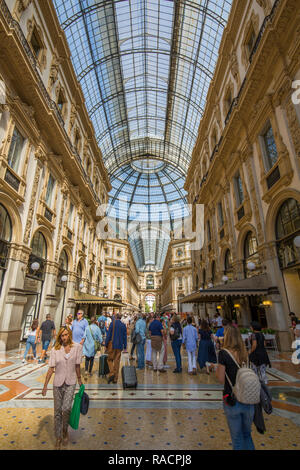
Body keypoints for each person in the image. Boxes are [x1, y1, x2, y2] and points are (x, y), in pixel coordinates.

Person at [42, 326, 83, 450]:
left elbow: (77, 366)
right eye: (62, 335)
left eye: (66, 335)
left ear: (69, 334)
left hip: (71, 382)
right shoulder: (55, 349)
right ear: (59, 337)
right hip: (57, 383)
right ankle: (59, 436)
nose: (64, 337)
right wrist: (45, 386)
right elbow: (51, 368)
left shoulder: (77, 347)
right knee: (57, 411)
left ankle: (65, 429)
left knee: (66, 408)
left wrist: (80, 380)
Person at [216, 326, 255, 450]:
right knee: (247, 435)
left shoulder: (223, 353)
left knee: (237, 437)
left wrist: (215, 368)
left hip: (232, 398)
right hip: (248, 398)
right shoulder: (245, 353)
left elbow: (221, 379)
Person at [105, 313, 127, 384]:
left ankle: (111, 373)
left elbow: (108, 335)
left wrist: (106, 344)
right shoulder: (123, 325)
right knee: (117, 362)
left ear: (115, 317)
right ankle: (115, 379)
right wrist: (125, 346)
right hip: (120, 346)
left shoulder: (112, 324)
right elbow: (125, 337)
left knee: (109, 359)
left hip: (112, 345)